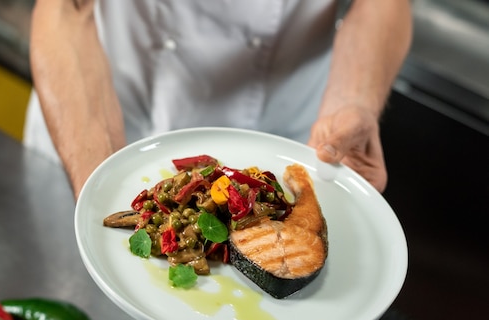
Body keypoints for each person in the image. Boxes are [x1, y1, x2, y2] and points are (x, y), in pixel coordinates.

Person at [23, 0, 413, 199]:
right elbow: (66, 10)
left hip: (284, 140)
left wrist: (354, 102)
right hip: (95, 115)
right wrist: (100, 186)